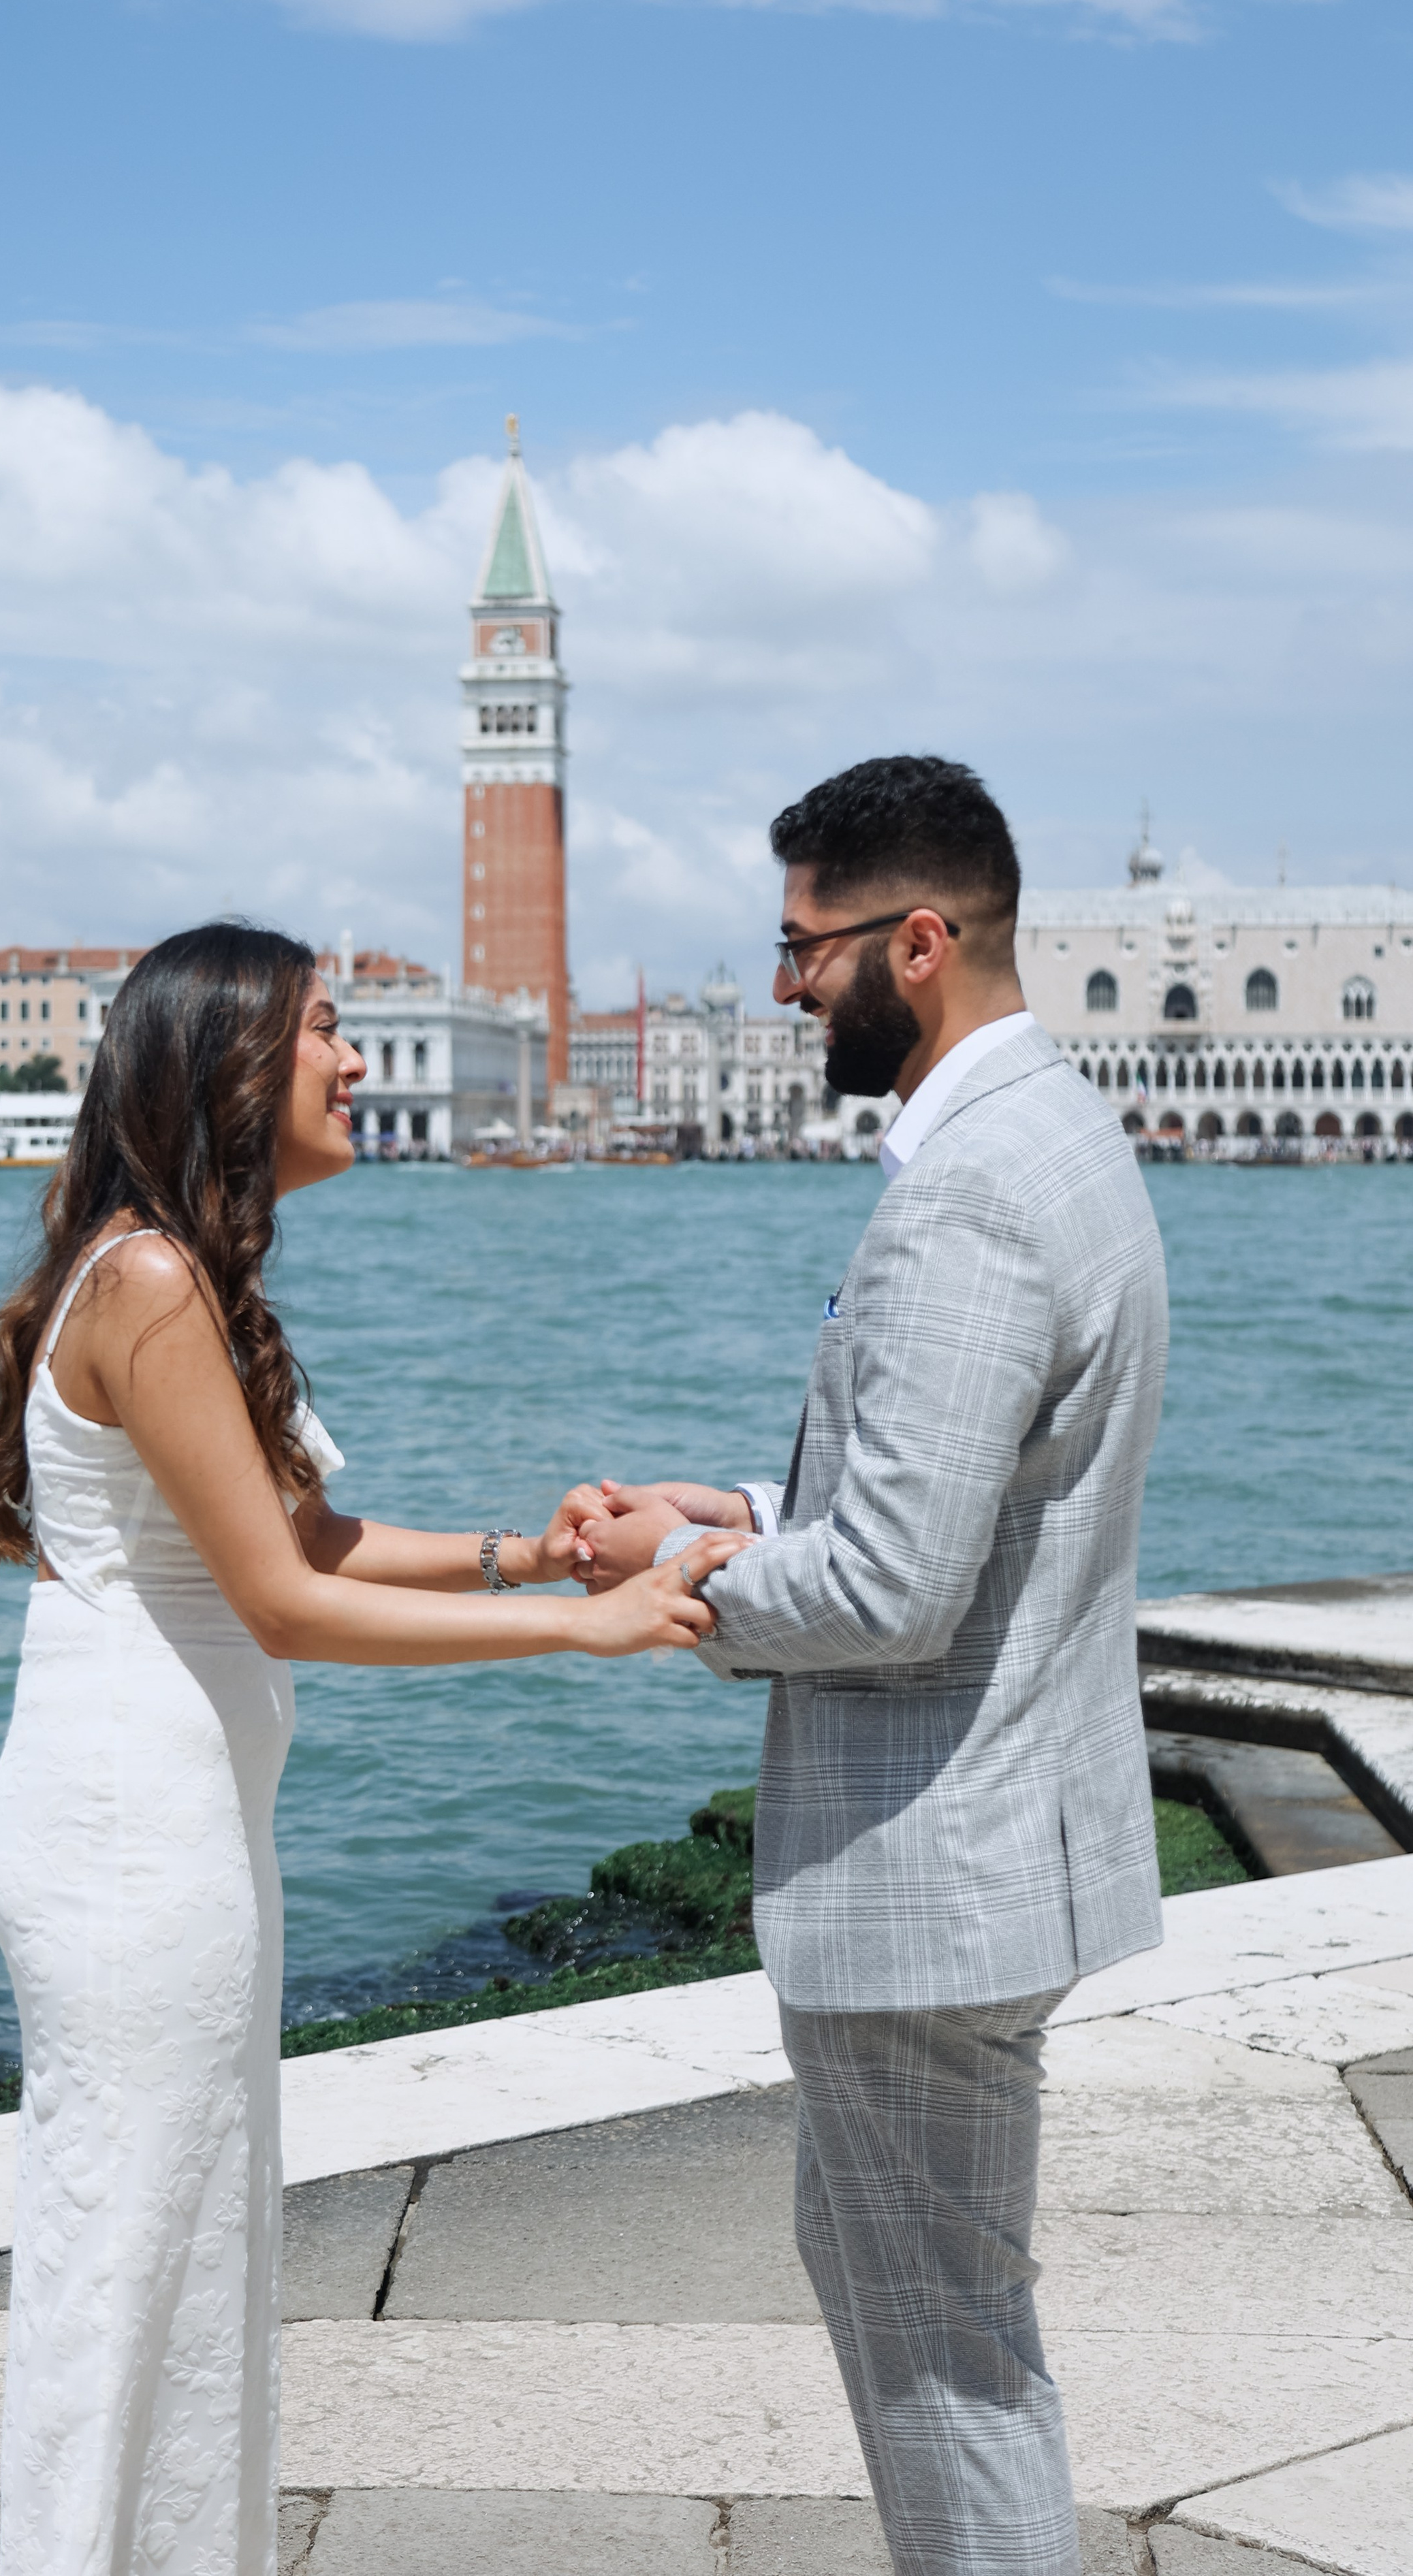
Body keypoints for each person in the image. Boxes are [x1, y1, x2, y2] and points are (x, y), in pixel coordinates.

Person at [0, 920, 742, 2576]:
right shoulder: (155, 1282)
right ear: (230, 1065)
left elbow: (305, 1536)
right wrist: (578, 1629)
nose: (356, 1062)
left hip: (161, 1826)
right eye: (326, 1030)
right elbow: (282, 1603)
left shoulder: (168, 1269)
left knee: (183, 2252)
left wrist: (520, 1558)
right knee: (131, 2269)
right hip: (127, 1840)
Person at [569, 756, 1169, 2576]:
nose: (783, 989)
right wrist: (750, 1500)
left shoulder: (967, 1195)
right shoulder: (1055, 1136)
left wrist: (670, 1574)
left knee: (943, 2361)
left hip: (931, 1874)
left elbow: (901, 1589)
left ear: (920, 940)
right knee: (927, 2308)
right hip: (1005, 1847)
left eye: (804, 948)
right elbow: (966, 1501)